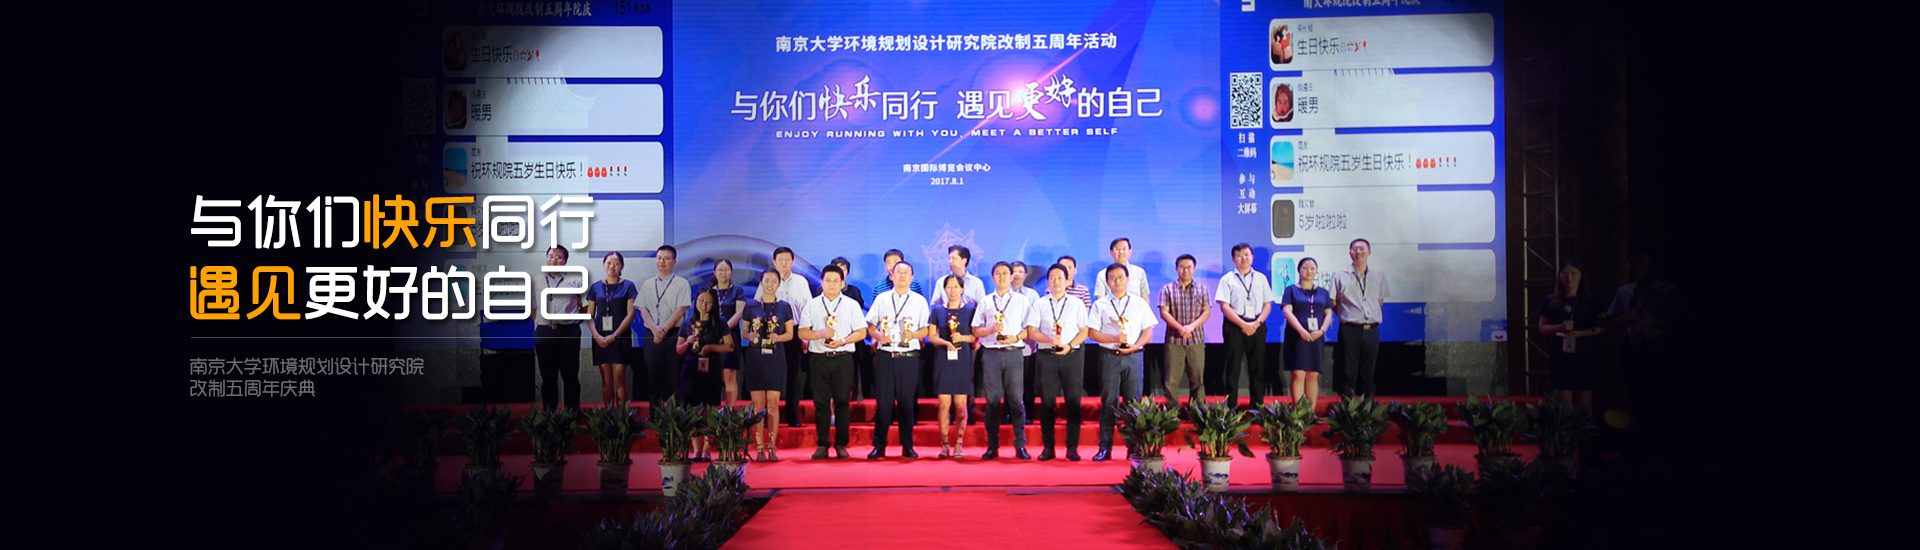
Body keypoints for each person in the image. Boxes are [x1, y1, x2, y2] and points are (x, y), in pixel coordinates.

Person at [798, 264, 865, 460]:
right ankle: (822, 444)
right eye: (828, 280)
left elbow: (861, 332)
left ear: (843, 283)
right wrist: (821, 333)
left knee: (842, 402)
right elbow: (802, 332)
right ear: (822, 282)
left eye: (836, 280)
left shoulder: (851, 305)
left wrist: (842, 341)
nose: (832, 284)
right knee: (821, 404)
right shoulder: (812, 304)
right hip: (819, 359)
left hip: (843, 358)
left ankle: (841, 444)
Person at [1090, 263, 1156, 461]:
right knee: (1108, 402)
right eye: (1112, 278)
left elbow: (1148, 332)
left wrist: (1135, 346)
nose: (1116, 281)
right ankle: (1104, 447)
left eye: (1120, 277)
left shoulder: (1139, 303)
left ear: (1128, 279)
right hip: (1109, 356)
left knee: (1133, 403)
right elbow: (1092, 333)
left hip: (1134, 357)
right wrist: (1115, 338)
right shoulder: (1100, 304)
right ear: (1107, 281)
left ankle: (1133, 447)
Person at [865, 260, 931, 459]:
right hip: (885, 356)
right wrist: (879, 336)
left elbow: (926, 329)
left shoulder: (919, 301)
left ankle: (907, 445)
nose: (902, 275)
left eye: (906, 272)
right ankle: (879, 445)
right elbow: (870, 325)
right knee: (883, 403)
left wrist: (914, 335)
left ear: (912, 278)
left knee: (906, 403)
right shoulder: (882, 298)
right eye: (898, 272)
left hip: (908, 357)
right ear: (891, 276)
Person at [1026, 263, 1089, 461]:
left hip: (1071, 355)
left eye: (1059, 278)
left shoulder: (1077, 304)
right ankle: (1048, 448)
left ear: (1067, 281)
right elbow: (1032, 331)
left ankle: (1072, 448)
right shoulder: (1040, 304)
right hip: (1047, 356)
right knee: (1047, 403)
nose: (1055, 281)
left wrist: (1069, 345)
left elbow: (1084, 331)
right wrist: (1048, 339)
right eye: (1052, 278)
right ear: (1047, 281)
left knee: (1073, 402)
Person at [971, 262, 1032, 459]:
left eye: (1005, 273)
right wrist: (990, 329)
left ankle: (1020, 445)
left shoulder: (1022, 300)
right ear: (993, 277)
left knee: (1015, 400)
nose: (1002, 277)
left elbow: (1029, 329)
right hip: (991, 354)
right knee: (992, 401)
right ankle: (992, 445)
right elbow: (976, 330)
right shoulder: (986, 301)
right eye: (998, 274)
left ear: (1012, 276)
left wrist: (1016, 337)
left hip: (1014, 353)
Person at [741, 269, 795, 462]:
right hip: (755, 358)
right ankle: (759, 448)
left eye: (774, 281)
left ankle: (772, 447)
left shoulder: (784, 307)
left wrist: (778, 337)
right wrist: (750, 335)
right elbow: (744, 332)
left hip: (775, 358)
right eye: (767, 281)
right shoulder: (751, 306)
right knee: (758, 405)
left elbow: (790, 334)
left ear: (779, 284)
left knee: (773, 404)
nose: (770, 284)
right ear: (761, 283)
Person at [677, 288, 735, 461]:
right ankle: (696, 449)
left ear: (714, 304)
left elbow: (729, 346)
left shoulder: (719, 322)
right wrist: (688, 343)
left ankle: (706, 449)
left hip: (712, 367)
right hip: (691, 368)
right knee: (692, 409)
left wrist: (711, 348)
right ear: (695, 302)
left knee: (711, 409)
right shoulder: (687, 323)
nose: (704, 305)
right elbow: (679, 349)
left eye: (708, 302)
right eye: (701, 301)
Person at [1216, 243, 1275, 408]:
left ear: (1252, 257)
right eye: (1239, 255)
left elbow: (1268, 304)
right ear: (1233, 259)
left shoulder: (1261, 278)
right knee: (1232, 370)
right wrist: (1243, 324)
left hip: (1257, 325)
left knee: (1258, 370)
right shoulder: (1227, 279)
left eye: (1247, 254)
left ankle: (1257, 408)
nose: (1244, 258)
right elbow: (1224, 306)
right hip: (1235, 326)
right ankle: (1231, 410)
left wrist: (1257, 323)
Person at [1539, 259, 1603, 409]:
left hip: (1584, 354)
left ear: (1581, 276)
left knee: (1584, 405)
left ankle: (1585, 425)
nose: (1569, 277)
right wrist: (1559, 327)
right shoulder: (1551, 300)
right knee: (1564, 405)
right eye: (1564, 273)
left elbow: (1602, 326)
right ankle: (1566, 425)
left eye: (1573, 273)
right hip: (1560, 355)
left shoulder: (1592, 299)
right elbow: (1542, 327)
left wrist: (1580, 333)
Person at [927, 274, 978, 458]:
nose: (953, 290)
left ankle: (959, 443)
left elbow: (975, 336)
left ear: (962, 289)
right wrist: (945, 342)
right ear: (944, 289)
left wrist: (962, 338)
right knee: (943, 405)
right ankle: (944, 443)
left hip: (962, 359)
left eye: (956, 286)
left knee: (960, 404)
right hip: (943, 358)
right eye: (949, 286)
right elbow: (931, 336)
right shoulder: (938, 311)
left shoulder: (971, 310)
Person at [1330, 238, 1389, 397]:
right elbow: (1333, 301)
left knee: (1368, 373)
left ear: (1369, 252)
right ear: (1350, 253)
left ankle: (1367, 409)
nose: (1358, 252)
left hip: (1372, 329)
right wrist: (1348, 315)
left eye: (1362, 249)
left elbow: (1380, 301)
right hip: (1349, 329)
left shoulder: (1378, 273)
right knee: (1348, 373)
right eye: (1355, 249)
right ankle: (1349, 409)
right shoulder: (1340, 274)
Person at [637, 245, 691, 413]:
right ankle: (655, 417)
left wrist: (664, 329)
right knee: (653, 379)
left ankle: (676, 417)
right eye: (659, 258)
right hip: (651, 335)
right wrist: (655, 329)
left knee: (674, 379)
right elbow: (642, 309)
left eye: (667, 258)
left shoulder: (682, 283)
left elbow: (681, 309)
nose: (662, 261)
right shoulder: (647, 284)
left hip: (673, 335)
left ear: (674, 261)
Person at [536, 246, 586, 410]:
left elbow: (585, 307)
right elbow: (532, 309)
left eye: (558, 257)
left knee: (570, 377)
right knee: (548, 379)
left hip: (568, 332)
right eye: (550, 256)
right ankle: (549, 415)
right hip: (545, 332)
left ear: (565, 261)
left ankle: (572, 414)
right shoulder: (536, 281)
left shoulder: (576, 280)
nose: (553, 260)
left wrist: (571, 321)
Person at [585, 252, 638, 405]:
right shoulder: (595, 287)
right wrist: (597, 336)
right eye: (609, 263)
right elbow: (589, 315)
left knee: (619, 378)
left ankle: (621, 415)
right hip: (600, 338)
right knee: (606, 380)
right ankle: (608, 415)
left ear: (622, 266)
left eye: (616, 263)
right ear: (604, 265)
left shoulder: (628, 286)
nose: (612, 266)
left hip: (620, 337)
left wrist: (614, 335)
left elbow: (631, 314)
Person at [1281, 257, 1334, 406]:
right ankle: (1299, 412)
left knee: (1313, 375)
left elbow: (1328, 313)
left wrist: (1321, 331)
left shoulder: (1323, 292)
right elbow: (1287, 312)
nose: (1308, 271)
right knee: (1298, 374)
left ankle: (1310, 412)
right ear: (1299, 270)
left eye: (1312, 268)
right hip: (1297, 337)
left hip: (1316, 337)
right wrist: (1301, 330)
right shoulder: (1291, 290)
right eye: (1305, 268)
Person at [1159, 254, 1210, 407]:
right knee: (1171, 380)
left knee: (1197, 380)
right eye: (1182, 267)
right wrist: (1180, 327)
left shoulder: (1202, 289)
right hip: (1174, 340)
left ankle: (1197, 411)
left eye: (1189, 267)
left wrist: (1191, 327)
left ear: (1194, 269)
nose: (1185, 270)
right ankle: (1172, 413)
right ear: (1176, 269)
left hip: (1196, 340)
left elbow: (1206, 312)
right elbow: (1164, 312)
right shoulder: (1167, 289)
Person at [772, 247, 814, 427]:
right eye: (780, 260)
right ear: (774, 262)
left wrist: (805, 334)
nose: (784, 263)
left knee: (793, 376)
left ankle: (792, 417)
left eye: (787, 259)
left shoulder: (800, 281)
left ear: (792, 262)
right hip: (772, 334)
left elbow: (808, 309)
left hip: (795, 332)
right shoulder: (768, 280)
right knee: (771, 376)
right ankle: (769, 416)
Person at [709, 259, 748, 407]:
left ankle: (729, 412)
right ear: (714, 272)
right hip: (711, 338)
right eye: (720, 270)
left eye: (726, 270)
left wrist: (723, 332)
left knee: (729, 376)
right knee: (714, 377)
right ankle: (714, 411)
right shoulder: (709, 291)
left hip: (730, 338)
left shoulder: (737, 291)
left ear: (731, 272)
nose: (723, 273)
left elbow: (739, 313)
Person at [1011, 261, 1042, 418]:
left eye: (1020, 271)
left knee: (1027, 382)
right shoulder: (1002, 294)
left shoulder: (1032, 295)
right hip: (1008, 346)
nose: (1017, 274)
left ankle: (1028, 414)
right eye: (1014, 271)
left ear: (1025, 275)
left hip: (1027, 346)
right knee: (1010, 383)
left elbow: (1036, 319)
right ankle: (1009, 413)